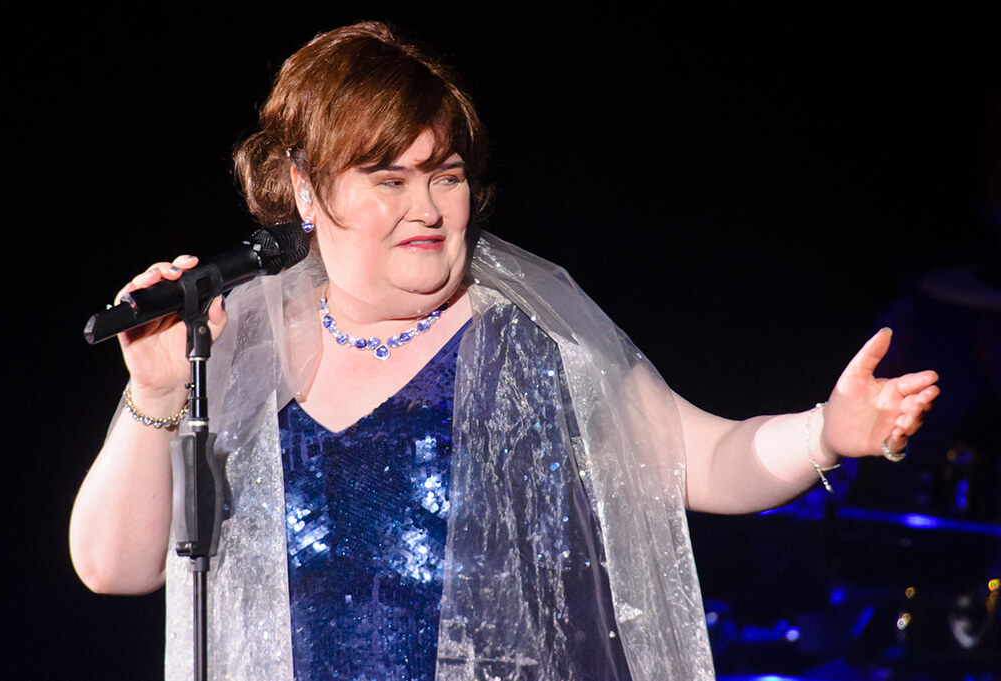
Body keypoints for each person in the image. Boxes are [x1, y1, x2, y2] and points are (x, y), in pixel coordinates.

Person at [68, 21, 940, 681]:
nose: (429, 207)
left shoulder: (531, 337)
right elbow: (112, 565)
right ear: (304, 186)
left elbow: (703, 459)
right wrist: (153, 390)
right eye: (389, 179)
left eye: (444, 174)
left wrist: (827, 429)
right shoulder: (230, 342)